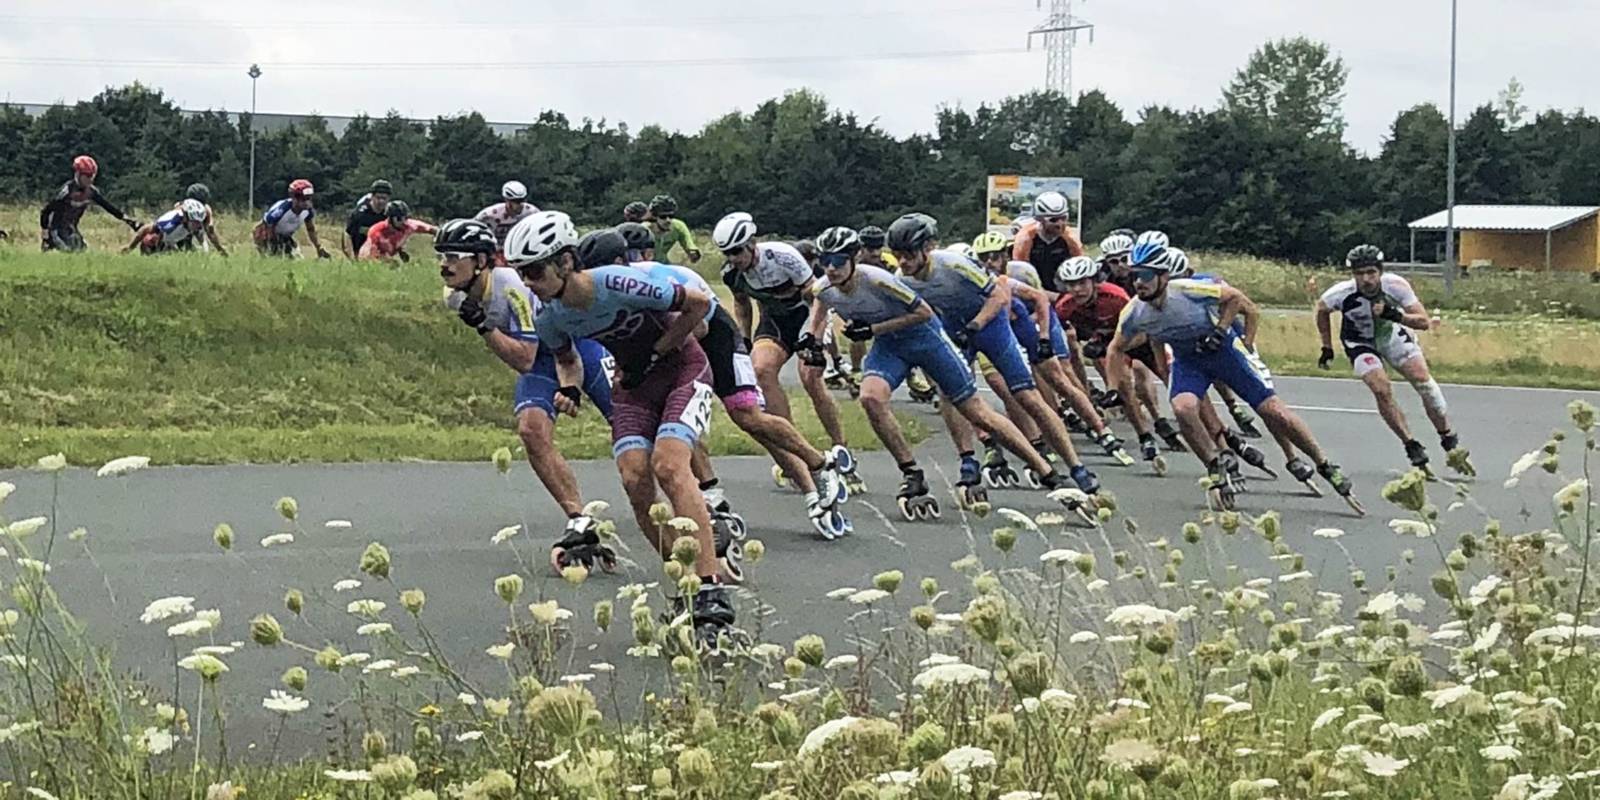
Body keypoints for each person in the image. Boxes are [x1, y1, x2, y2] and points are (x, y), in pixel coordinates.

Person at [504, 210, 736, 645]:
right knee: (634, 477)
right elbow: (566, 359)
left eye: (534, 270)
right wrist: (570, 390)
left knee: (669, 466)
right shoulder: (551, 315)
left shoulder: (618, 282)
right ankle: (687, 582)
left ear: (566, 261)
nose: (528, 282)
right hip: (633, 383)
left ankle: (711, 586)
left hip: (683, 368)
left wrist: (660, 348)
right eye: (521, 273)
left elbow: (699, 307)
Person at [805, 225, 1097, 523]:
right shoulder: (845, 284)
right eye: (825, 261)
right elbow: (819, 302)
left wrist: (977, 325)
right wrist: (811, 341)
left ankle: (1058, 471)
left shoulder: (931, 268)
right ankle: (918, 471)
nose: (831, 268)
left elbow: (987, 298)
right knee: (871, 398)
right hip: (905, 340)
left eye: (838, 261)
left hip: (975, 326)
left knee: (1009, 400)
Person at [578, 228, 853, 539]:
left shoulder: (654, 281)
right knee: (675, 420)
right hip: (672, 346)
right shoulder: (599, 294)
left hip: (711, 335)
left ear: (617, 264)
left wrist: (653, 353)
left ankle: (818, 468)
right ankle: (712, 494)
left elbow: (701, 329)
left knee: (748, 417)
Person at [1104, 238, 1358, 511]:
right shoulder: (1134, 312)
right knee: (1182, 408)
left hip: (1223, 352)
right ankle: (1214, 464)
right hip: (1189, 361)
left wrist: (1224, 330)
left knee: (1273, 411)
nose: (1138, 282)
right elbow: (1115, 349)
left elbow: (1237, 299)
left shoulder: (1188, 290)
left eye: (1144, 275)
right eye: (1134, 276)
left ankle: (1323, 463)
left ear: (1163, 276)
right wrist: (1113, 387)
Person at [888, 213, 1102, 519]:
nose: (904, 262)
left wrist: (976, 325)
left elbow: (999, 296)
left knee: (1027, 396)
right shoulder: (901, 278)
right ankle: (967, 460)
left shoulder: (951, 264)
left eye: (909, 254)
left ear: (928, 247)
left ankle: (1076, 466)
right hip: (955, 324)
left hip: (991, 322)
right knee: (949, 394)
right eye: (897, 256)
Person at [434, 218, 618, 573]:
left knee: (631, 426)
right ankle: (579, 520)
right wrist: (484, 326)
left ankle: (700, 496)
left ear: (483, 261)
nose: (445, 264)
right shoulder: (453, 296)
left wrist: (484, 327)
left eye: (455, 256)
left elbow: (524, 357)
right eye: (440, 256)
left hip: (578, 345)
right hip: (543, 357)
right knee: (532, 432)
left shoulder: (512, 286)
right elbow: (529, 363)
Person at [714, 211, 860, 481]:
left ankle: (841, 447)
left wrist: (814, 337)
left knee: (810, 378)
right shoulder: (731, 273)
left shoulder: (783, 256)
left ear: (751, 243)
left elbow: (816, 296)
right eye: (726, 253)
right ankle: (795, 451)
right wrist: (744, 339)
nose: (733, 259)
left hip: (807, 315)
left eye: (736, 251)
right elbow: (743, 305)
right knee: (761, 371)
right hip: (775, 321)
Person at [971, 232, 1132, 466]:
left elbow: (1041, 300)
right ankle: (1041, 435)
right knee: (1005, 386)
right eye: (983, 259)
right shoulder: (975, 278)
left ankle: (1099, 427)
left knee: (1059, 374)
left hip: (1035, 319)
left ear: (1006, 256)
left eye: (994, 257)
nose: (989, 263)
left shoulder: (1020, 272)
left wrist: (1044, 337)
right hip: (999, 329)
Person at [1316, 245, 1463, 472]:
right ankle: (1411, 444)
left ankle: (1447, 437)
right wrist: (1326, 346)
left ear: (1380, 271)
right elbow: (1322, 310)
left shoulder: (1396, 286)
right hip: (1360, 343)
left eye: (1371, 273)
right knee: (1381, 389)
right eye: (1359, 273)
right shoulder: (1340, 293)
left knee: (1423, 382)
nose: (1366, 279)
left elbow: (1423, 322)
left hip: (1391, 336)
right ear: (1352, 274)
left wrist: (1394, 315)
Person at [39, 155, 139, 252]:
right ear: (78, 174)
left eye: (92, 175)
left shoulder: (91, 192)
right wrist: (46, 236)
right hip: (56, 231)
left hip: (71, 229)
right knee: (70, 253)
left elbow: (108, 207)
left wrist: (129, 221)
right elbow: (46, 212)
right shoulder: (67, 192)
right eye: (86, 176)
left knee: (83, 252)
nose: (90, 179)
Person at [1010, 191, 1084, 293]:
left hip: (1061, 291)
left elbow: (1080, 269)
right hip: (1032, 290)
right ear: (1040, 219)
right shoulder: (1025, 238)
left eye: (1063, 218)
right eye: (1053, 220)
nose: (1060, 224)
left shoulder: (1071, 238)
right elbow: (1020, 273)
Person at [254, 179, 331, 258]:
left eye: (309, 198)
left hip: (285, 236)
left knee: (298, 259)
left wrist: (318, 247)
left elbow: (310, 229)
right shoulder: (282, 210)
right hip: (266, 235)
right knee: (275, 258)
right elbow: (268, 226)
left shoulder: (307, 211)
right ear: (294, 198)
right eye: (303, 199)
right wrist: (271, 247)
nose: (307, 203)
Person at [359, 201, 438, 262]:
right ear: (390, 218)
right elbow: (370, 255)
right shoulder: (376, 231)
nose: (403, 221)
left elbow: (432, 229)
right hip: (370, 260)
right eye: (399, 218)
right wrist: (388, 261)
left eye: (405, 217)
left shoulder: (409, 225)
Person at [123, 199, 209, 255]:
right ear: (186, 217)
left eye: (198, 223)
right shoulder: (172, 220)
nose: (197, 226)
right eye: (194, 222)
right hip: (159, 244)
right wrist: (130, 247)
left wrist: (206, 252)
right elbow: (145, 229)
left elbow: (201, 237)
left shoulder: (195, 224)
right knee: (150, 240)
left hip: (175, 241)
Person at [475, 181, 539, 252]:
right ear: (507, 200)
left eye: (522, 200)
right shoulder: (489, 215)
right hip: (494, 251)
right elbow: (473, 229)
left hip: (521, 251)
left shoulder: (533, 213)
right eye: (516, 201)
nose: (520, 204)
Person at [168, 184, 229, 255]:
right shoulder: (206, 208)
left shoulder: (180, 205)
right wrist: (220, 249)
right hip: (189, 235)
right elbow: (210, 230)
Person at [345, 180, 393, 257]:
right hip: (358, 250)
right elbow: (347, 235)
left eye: (384, 198)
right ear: (372, 197)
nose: (381, 201)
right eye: (378, 197)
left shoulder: (389, 215)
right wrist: (352, 258)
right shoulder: (360, 214)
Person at [648, 195, 701, 264]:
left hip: (663, 263)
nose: (668, 220)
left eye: (671, 216)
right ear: (654, 217)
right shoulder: (645, 230)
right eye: (663, 217)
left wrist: (693, 253)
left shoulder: (678, 226)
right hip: (644, 264)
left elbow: (689, 244)